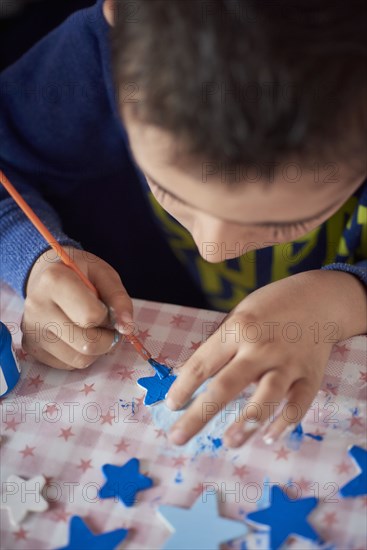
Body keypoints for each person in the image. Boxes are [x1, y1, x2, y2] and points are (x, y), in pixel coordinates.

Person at [0, 0, 366, 448]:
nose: (213, 248)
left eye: (279, 223)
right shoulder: (123, 44)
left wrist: (342, 299)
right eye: (170, 191)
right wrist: (34, 258)